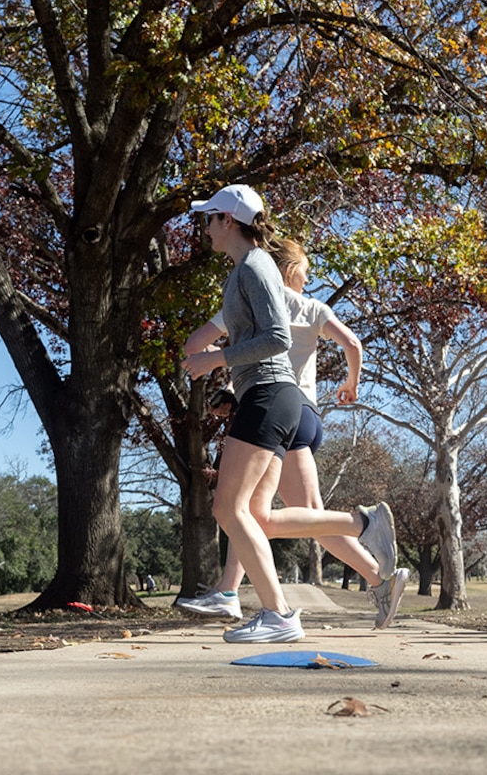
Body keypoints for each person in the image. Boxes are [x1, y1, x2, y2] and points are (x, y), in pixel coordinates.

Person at [182, 184, 399, 643]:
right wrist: (213, 362)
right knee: (255, 517)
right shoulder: (243, 271)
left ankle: (277, 614)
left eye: (208, 218)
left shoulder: (255, 267)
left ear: (229, 221)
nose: (203, 228)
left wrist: (216, 358)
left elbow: (277, 338)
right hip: (270, 396)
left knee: (228, 507)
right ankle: (363, 525)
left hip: (270, 395)